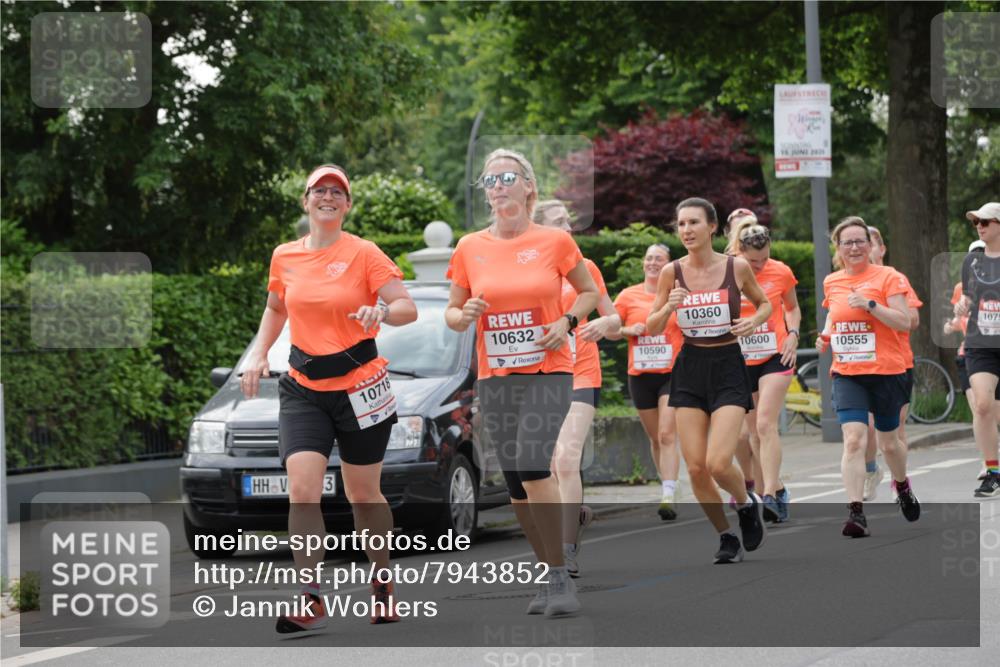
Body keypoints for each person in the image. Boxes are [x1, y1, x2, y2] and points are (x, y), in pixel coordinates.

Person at [241, 164, 418, 636]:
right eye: (319, 190)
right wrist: (259, 352)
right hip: (303, 387)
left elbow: (406, 307)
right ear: (305, 202)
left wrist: (380, 309)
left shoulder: (364, 253)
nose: (327, 197)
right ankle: (311, 597)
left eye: (337, 192)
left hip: (361, 388)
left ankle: (382, 583)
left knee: (363, 494)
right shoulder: (285, 256)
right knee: (302, 490)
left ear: (347, 205)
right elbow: (276, 307)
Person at [445, 149, 599, 615]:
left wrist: (568, 321)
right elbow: (452, 314)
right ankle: (548, 574)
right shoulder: (469, 247)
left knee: (534, 464)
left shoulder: (554, 241)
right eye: (490, 180)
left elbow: (590, 290)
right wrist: (463, 313)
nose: (497, 186)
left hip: (549, 370)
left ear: (528, 186)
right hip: (497, 377)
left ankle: (561, 579)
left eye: (507, 177)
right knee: (516, 485)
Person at [646, 197, 771, 564]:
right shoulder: (672, 272)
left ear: (712, 227)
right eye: (681, 224)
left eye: (694, 223)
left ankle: (747, 504)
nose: (686, 230)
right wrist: (669, 305)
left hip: (729, 364)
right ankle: (725, 535)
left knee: (718, 463)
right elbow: (651, 325)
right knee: (697, 468)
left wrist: (753, 321)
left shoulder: (737, 267)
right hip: (690, 367)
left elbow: (764, 304)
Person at [815, 217, 919, 537]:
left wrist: (871, 304)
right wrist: (826, 337)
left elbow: (905, 322)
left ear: (871, 246)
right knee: (855, 440)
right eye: (848, 242)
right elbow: (835, 314)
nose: (855, 247)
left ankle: (901, 485)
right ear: (838, 248)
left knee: (889, 444)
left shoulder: (889, 277)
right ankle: (856, 512)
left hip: (887, 371)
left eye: (861, 241)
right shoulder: (832, 282)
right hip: (848, 373)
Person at [533, 199, 618, 578]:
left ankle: (566, 550)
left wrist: (604, 325)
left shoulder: (587, 270)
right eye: (557, 221)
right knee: (546, 468)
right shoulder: (527, 273)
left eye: (568, 219)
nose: (567, 225)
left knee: (566, 458)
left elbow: (613, 320)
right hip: (541, 377)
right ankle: (566, 524)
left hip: (582, 373)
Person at [725, 212, 801, 522]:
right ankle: (778, 488)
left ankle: (769, 496)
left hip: (775, 354)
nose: (759, 267)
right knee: (752, 433)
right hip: (741, 359)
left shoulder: (780, 271)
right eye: (754, 262)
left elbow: (793, 308)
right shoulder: (725, 271)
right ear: (740, 251)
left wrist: (793, 334)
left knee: (767, 424)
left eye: (764, 259)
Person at [606, 243, 684, 522]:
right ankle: (668, 484)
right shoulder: (628, 295)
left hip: (671, 372)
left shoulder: (677, 293)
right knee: (654, 438)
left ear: (668, 264)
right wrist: (629, 329)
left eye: (658, 259)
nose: (652, 262)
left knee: (667, 434)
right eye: (649, 258)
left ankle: (668, 493)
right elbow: (611, 330)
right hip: (640, 375)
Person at [858, 226, 922, 502]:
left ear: (881, 249)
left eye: (869, 244)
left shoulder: (896, 279)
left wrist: (880, 311)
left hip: (897, 361)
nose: (864, 250)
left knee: (895, 428)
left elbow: (914, 319)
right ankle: (871, 469)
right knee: (866, 427)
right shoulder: (852, 280)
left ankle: (900, 481)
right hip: (862, 364)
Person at [955, 202, 1000, 497]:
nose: (980, 227)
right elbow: (969, 296)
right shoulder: (972, 261)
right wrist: (963, 305)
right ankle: (993, 472)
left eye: (985, 221)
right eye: (976, 223)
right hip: (981, 343)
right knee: (982, 405)